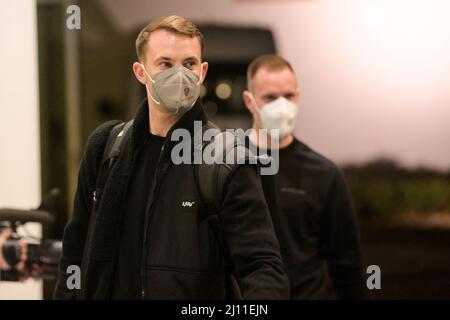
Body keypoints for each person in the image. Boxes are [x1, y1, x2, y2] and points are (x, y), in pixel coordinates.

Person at [54, 16, 289, 300]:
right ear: (141, 72)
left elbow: (262, 268)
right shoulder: (106, 148)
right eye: (165, 64)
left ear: (202, 72)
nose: (180, 75)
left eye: (189, 64)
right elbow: (75, 250)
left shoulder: (229, 162)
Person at [242, 54, 369, 299]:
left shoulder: (324, 174)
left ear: (298, 97)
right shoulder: (227, 164)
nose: (281, 106)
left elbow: (348, 265)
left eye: (288, 96)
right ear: (249, 101)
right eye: (269, 97)